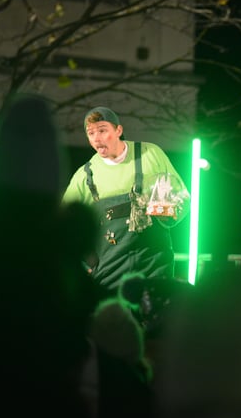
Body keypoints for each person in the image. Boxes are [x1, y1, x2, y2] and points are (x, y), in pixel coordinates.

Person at [63, 106, 190, 298]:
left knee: (157, 322)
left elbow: (181, 198)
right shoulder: (84, 175)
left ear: (118, 131)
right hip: (109, 270)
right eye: (91, 133)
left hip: (155, 264)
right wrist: (83, 264)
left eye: (103, 130)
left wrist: (168, 211)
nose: (96, 138)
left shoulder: (150, 153)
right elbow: (63, 226)